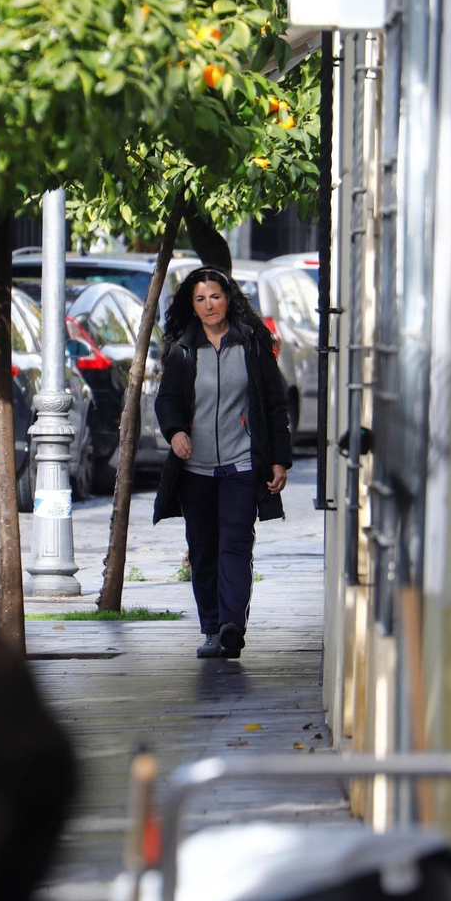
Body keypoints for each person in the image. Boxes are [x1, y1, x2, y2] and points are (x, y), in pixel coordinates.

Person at [153, 266, 292, 659]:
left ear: (228, 299)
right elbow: (166, 401)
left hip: (242, 464)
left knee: (235, 544)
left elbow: (275, 403)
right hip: (195, 469)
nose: (209, 305)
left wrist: (279, 460)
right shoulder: (183, 348)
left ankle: (232, 625)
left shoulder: (250, 343)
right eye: (200, 299)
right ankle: (211, 628)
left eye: (214, 296)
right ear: (191, 306)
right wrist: (176, 432)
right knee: (203, 549)